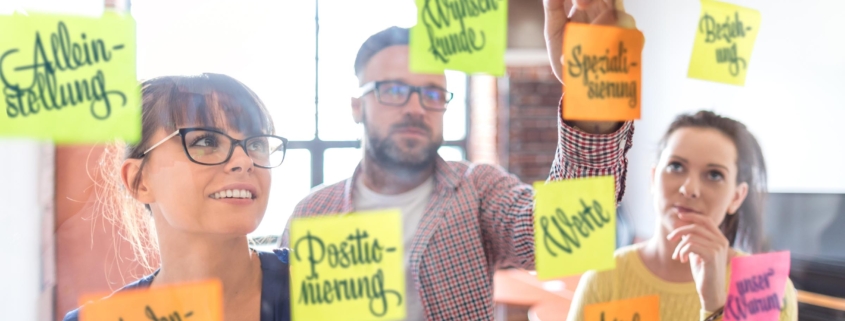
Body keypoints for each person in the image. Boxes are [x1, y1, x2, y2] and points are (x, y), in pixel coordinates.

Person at [279, 1, 636, 319]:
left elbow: (567, 239)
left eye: (432, 93)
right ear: (357, 106)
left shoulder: (478, 190)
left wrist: (591, 94)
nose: (416, 108)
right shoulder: (312, 214)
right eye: (394, 90)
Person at [64, 74, 291, 321]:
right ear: (138, 181)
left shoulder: (324, 281)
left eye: (256, 144)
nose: (245, 161)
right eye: (206, 141)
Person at [566, 111, 798, 321]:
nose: (689, 189)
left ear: (737, 197)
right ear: (654, 178)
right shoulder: (605, 278)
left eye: (714, 175)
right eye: (676, 167)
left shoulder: (766, 287)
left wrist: (715, 305)